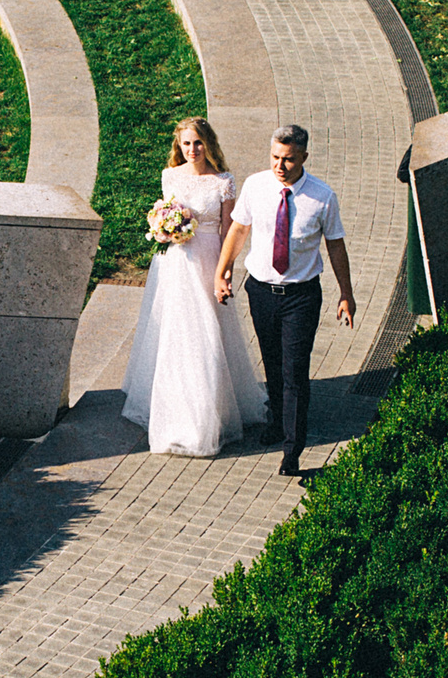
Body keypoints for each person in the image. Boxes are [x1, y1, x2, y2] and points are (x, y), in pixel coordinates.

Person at [121, 118, 268, 455]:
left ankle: (211, 409)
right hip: (174, 264)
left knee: (206, 331)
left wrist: (224, 270)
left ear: (209, 144)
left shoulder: (224, 182)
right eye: (186, 144)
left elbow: (228, 231)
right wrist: (163, 230)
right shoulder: (170, 176)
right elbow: (161, 215)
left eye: (198, 143)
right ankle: (173, 410)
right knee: (174, 332)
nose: (192, 150)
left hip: (206, 260)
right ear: (179, 146)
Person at [217, 124, 354, 477]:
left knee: (295, 371)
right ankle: (277, 423)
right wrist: (224, 270)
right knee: (273, 364)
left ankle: (292, 450)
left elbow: (335, 245)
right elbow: (238, 229)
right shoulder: (256, 185)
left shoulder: (322, 197)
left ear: (304, 158)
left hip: (301, 296)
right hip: (261, 291)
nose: (280, 166)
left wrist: (346, 293)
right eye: (276, 157)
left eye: (289, 160)